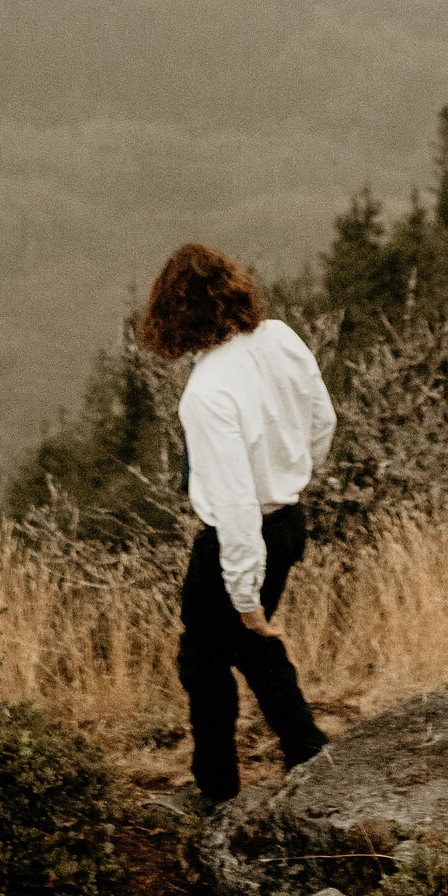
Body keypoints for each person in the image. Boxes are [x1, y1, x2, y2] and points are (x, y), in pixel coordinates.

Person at [139, 240, 336, 806]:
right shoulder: (279, 338)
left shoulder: (206, 393)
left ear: (172, 314)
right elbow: (323, 420)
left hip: (242, 537)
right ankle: (307, 755)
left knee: (204, 660)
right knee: (249, 648)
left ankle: (219, 789)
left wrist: (244, 593)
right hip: (288, 522)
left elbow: (234, 505)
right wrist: (291, 473)